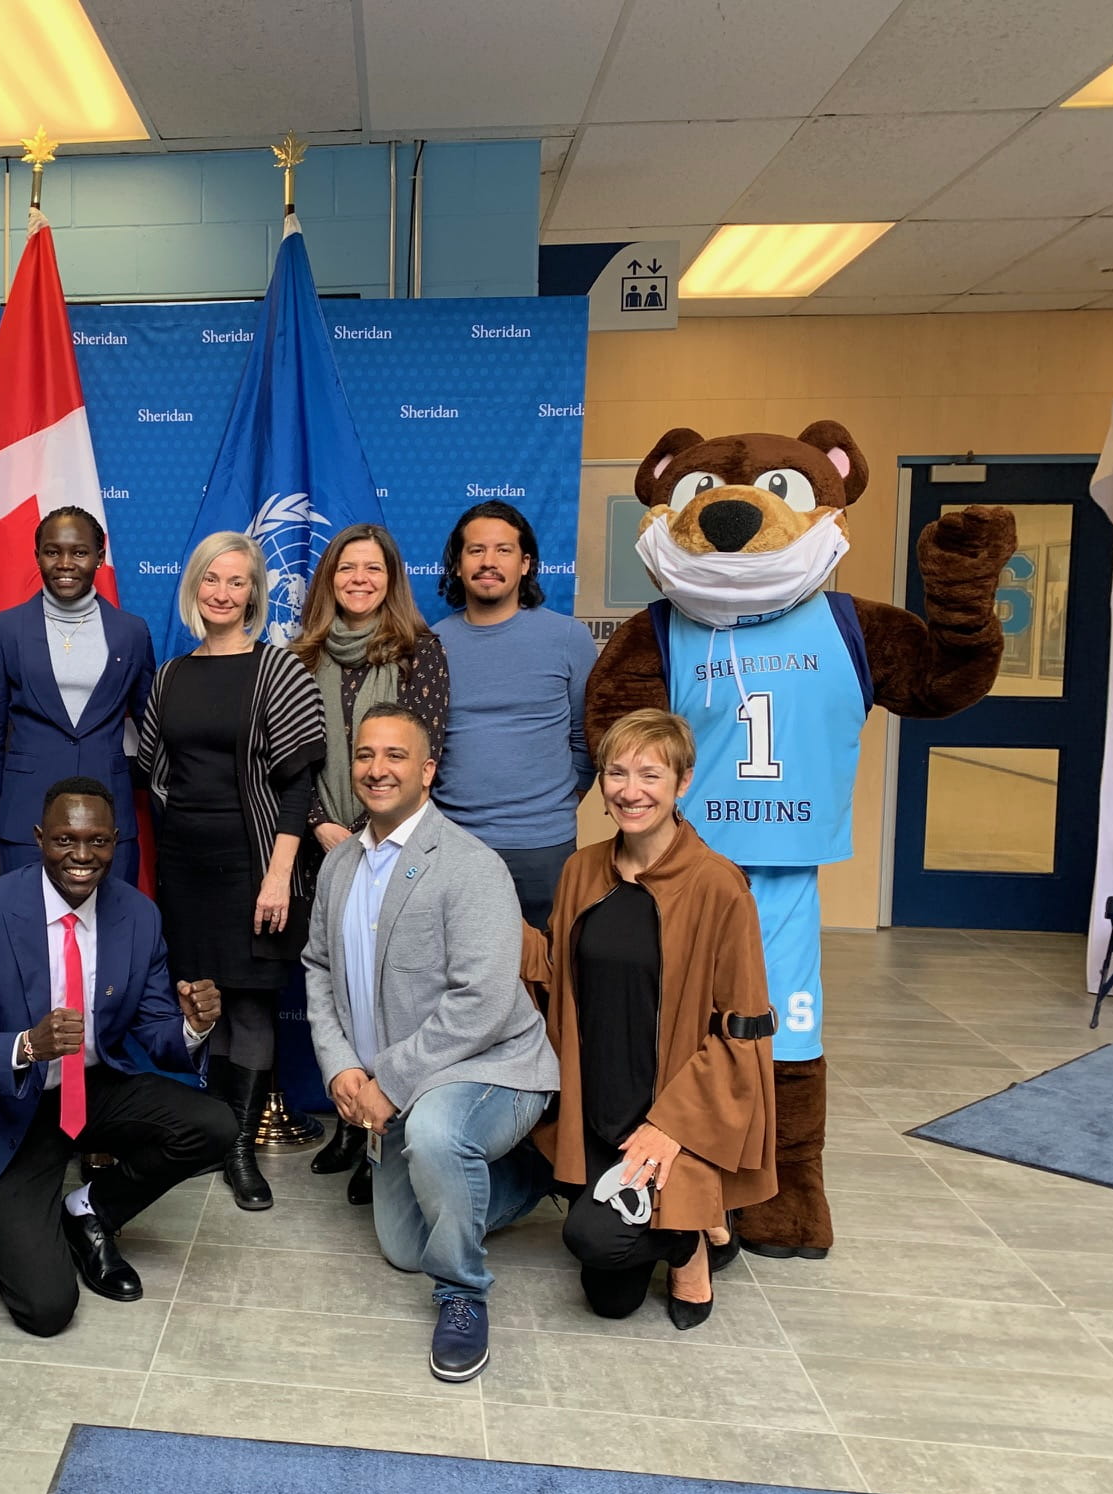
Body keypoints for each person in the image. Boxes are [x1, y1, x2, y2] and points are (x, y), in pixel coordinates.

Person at [0, 778, 231, 1338]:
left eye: (98, 842)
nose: (82, 856)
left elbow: (154, 1030)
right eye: (65, 840)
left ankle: (90, 1212)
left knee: (213, 1125)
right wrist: (25, 1046)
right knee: (47, 1310)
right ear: (39, 838)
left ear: (117, 842)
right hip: (13, 1112)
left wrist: (192, 1025)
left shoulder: (137, 915)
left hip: (93, 1090)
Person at [304, 703, 558, 1384]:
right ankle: (531, 1178)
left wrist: (386, 1082)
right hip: (398, 1078)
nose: (377, 769)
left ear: (427, 770)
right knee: (401, 1243)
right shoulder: (340, 868)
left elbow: (480, 1002)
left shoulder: (470, 866)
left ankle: (462, 1294)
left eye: (395, 756)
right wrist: (341, 1072)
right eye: (364, 755)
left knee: (440, 1136)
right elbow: (319, 969)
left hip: (492, 1064)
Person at [533, 709, 777, 1331]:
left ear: (683, 782)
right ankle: (699, 1224)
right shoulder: (580, 870)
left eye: (650, 774)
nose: (630, 790)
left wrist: (670, 1127)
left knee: (596, 1240)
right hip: (597, 1107)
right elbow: (554, 979)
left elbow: (741, 1033)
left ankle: (690, 1240)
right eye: (616, 773)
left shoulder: (719, 886)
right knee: (608, 1302)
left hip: (671, 1115)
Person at [136, 531, 325, 1213]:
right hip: (187, 868)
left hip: (255, 864)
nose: (223, 593)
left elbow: (301, 782)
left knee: (248, 1004)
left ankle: (241, 1149)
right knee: (204, 1000)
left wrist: (279, 875)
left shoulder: (279, 670)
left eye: (237, 582)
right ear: (195, 588)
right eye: (211, 580)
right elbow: (152, 768)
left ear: (254, 593)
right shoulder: (172, 675)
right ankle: (213, 1134)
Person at [289, 522, 451, 1197]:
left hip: (394, 847)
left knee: (385, 989)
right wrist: (322, 826)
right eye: (346, 568)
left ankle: (380, 1131)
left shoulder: (420, 649)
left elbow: (419, 751)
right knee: (338, 985)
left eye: (372, 569)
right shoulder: (300, 654)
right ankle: (348, 1123)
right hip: (319, 846)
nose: (359, 579)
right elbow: (287, 755)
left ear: (391, 579)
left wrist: (365, 829)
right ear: (330, 579)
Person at [430, 502, 597, 929]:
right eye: (476, 550)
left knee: (544, 978)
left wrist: (555, 807)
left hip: (544, 846)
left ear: (525, 564)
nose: (489, 562)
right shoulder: (430, 646)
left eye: (503, 550)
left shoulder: (568, 638)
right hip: (454, 841)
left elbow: (586, 738)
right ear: (457, 563)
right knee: (457, 977)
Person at [0, 506, 156, 885]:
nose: (65, 563)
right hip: (25, 816)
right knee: (26, 931)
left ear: (99, 557)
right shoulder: (4, 629)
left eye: (79, 552)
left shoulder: (131, 632)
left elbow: (154, 733)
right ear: (37, 555)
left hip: (110, 818)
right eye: (52, 551)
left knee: (112, 930)